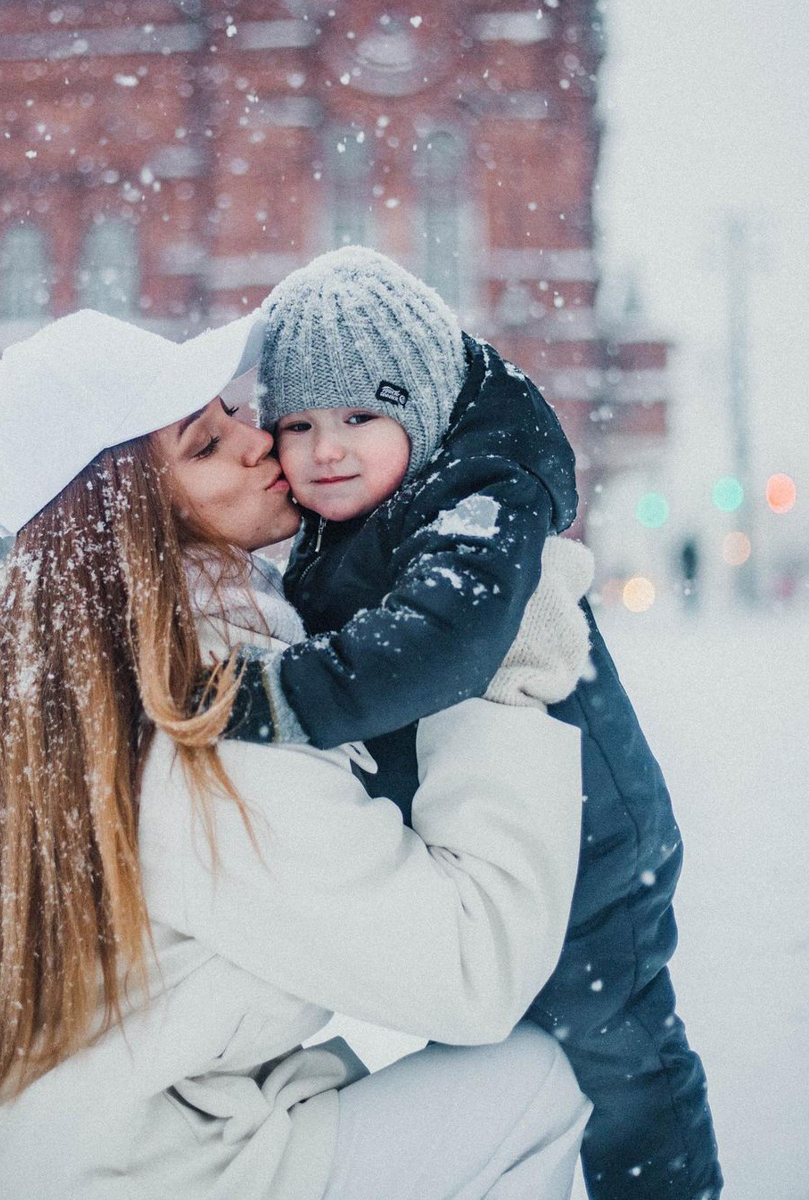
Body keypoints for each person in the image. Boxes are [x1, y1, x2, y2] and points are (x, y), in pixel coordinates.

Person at [0, 308, 593, 1200]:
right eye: (204, 445)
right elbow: (476, 969)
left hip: (81, 1156)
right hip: (151, 1175)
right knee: (533, 1088)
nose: (257, 439)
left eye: (229, 412)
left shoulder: (83, 686)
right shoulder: (204, 712)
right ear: (130, 519)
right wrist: (505, 673)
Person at [216, 248, 723, 1200]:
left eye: (360, 417)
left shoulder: (482, 498)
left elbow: (439, 642)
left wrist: (272, 695)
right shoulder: (354, 507)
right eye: (298, 425)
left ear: (419, 409)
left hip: (588, 853)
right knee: (500, 1063)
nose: (325, 449)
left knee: (620, 1060)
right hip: (486, 842)